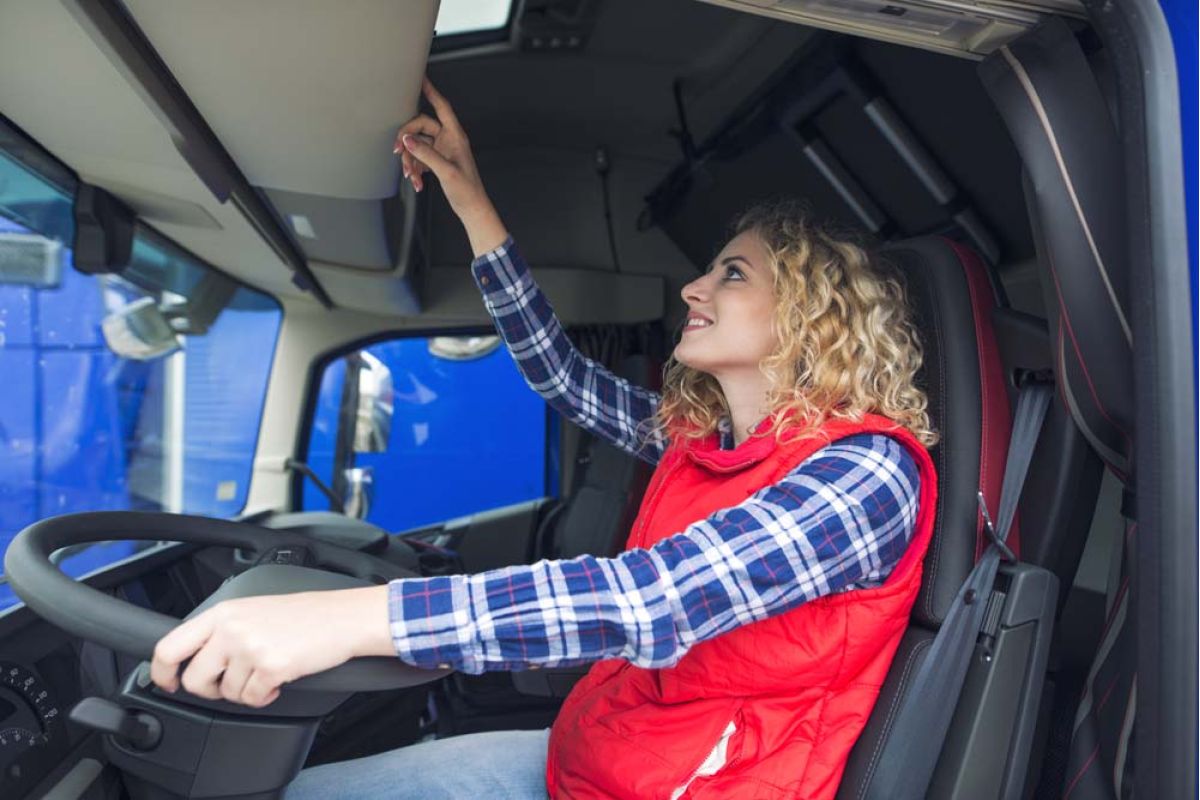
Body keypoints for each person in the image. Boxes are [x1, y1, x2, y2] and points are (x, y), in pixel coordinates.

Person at [149, 78, 938, 800]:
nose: (694, 288)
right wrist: (471, 202)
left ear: (812, 316)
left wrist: (352, 619)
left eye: (732, 274)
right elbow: (562, 376)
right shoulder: (707, 441)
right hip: (603, 757)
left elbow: (650, 599)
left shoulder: (865, 473)